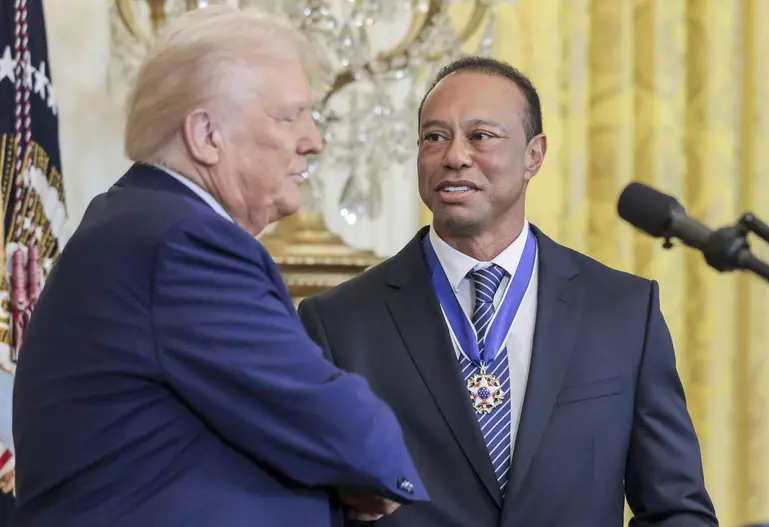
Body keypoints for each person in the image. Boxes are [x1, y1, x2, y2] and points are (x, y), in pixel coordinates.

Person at [11, 7, 426, 527]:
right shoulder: (184, 242)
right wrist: (373, 469)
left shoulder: (141, 225)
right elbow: (342, 425)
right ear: (207, 135)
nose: (313, 141)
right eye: (288, 116)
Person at [298, 56, 718, 527]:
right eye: (435, 137)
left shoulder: (622, 311)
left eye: (480, 136)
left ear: (533, 155)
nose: (454, 156)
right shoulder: (338, 322)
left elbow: (677, 509)